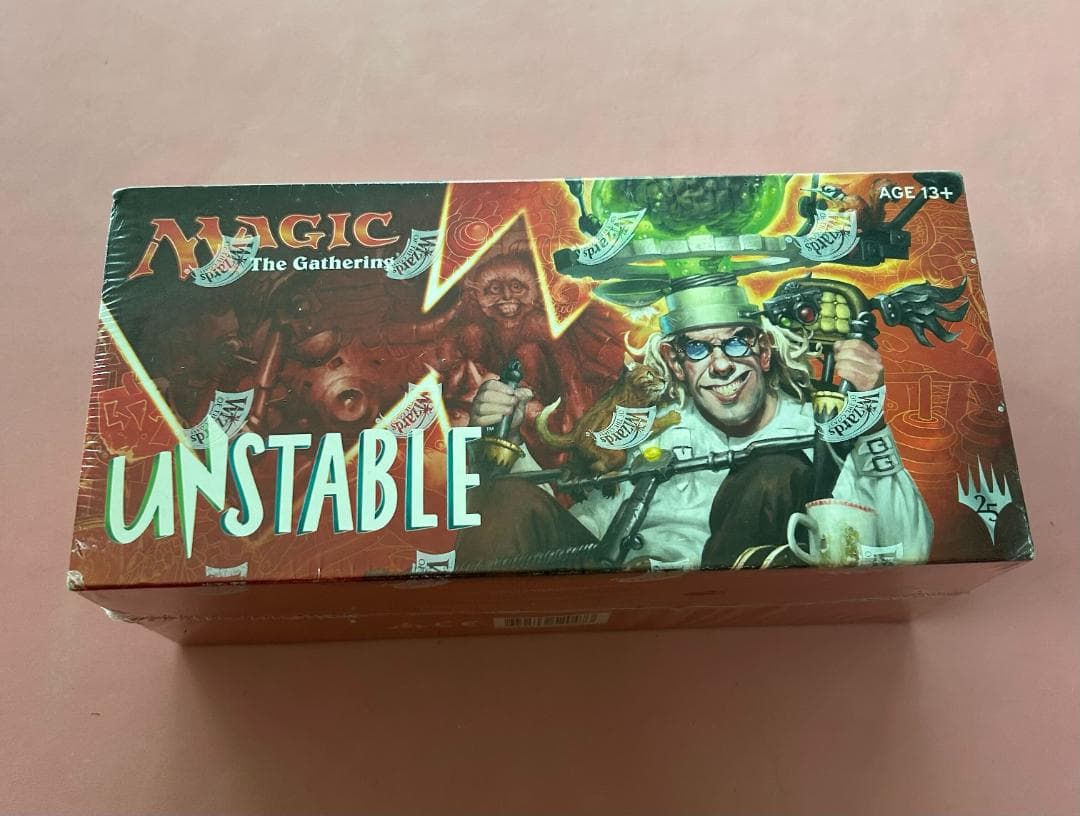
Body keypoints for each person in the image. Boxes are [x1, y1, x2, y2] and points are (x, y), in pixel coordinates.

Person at [455, 276, 932, 572]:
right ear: (676, 362)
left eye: (737, 343)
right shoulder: (650, 427)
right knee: (506, 499)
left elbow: (910, 548)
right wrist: (502, 439)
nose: (721, 365)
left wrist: (869, 421)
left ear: (764, 352)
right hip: (622, 602)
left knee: (773, 470)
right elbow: (583, 530)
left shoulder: (822, 430)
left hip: (738, 614)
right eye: (699, 349)